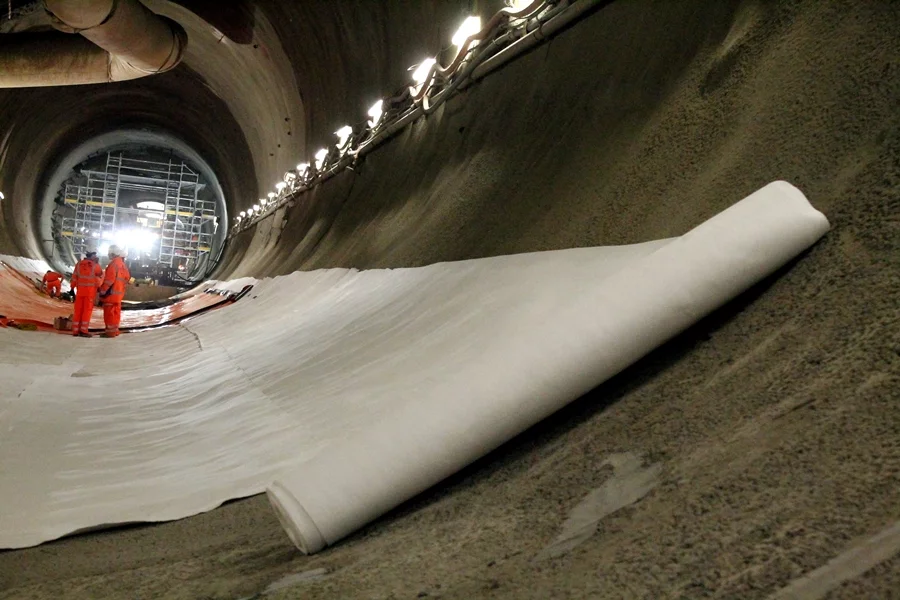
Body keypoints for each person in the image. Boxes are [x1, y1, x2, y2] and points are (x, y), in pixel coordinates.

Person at [99, 245, 130, 338]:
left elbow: (109, 280)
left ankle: (110, 332)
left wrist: (102, 291)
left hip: (111, 295)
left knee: (109, 314)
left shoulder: (113, 264)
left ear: (112, 254)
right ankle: (115, 331)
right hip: (119, 295)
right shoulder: (122, 264)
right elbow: (127, 278)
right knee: (116, 313)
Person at [70, 252, 102, 338]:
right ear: (92, 256)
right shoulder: (95, 265)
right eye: (95, 256)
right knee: (86, 311)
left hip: (80, 291)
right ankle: (83, 330)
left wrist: (72, 288)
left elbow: (74, 277)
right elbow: (100, 274)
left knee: (78, 310)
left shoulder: (78, 264)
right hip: (89, 292)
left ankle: (75, 330)